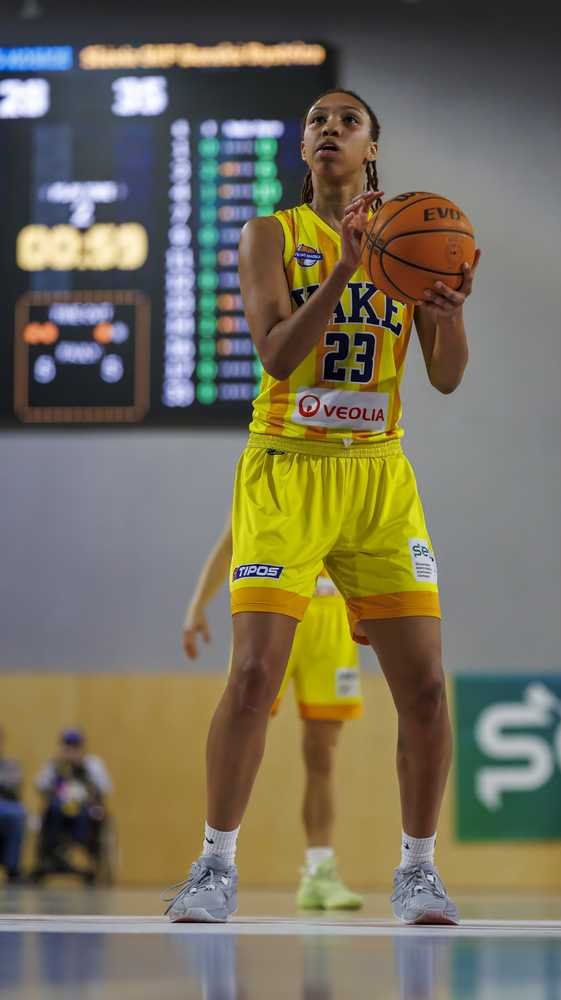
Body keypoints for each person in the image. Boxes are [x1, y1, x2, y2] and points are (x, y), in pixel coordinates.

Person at [165, 88, 480, 925]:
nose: (329, 129)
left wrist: (449, 314)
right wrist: (345, 266)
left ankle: (418, 872)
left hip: (378, 476)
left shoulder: (413, 234)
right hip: (287, 468)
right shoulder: (269, 235)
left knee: (425, 688)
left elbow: (445, 376)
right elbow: (276, 356)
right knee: (252, 675)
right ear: (303, 150)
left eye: (346, 121)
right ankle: (213, 867)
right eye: (316, 122)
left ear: (372, 147)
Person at [182, 512, 363, 909]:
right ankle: (216, 861)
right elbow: (232, 539)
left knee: (322, 753)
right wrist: (198, 604)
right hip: (274, 601)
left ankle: (319, 870)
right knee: (242, 728)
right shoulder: (269, 475)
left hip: (332, 616)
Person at [32, 728, 112, 881]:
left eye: (75, 745)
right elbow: (40, 785)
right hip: (59, 807)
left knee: (87, 813)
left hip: (85, 806)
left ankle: (80, 838)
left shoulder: (92, 764)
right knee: (53, 809)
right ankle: (53, 848)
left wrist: (82, 768)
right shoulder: (54, 764)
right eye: (67, 745)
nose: (71, 749)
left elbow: (105, 787)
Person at [0, 725, 27, 883]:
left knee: (17, 813)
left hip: (5, 806)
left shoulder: (10, 765)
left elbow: (13, 790)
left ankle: (12, 868)